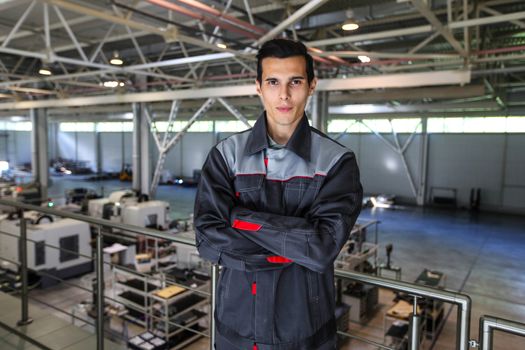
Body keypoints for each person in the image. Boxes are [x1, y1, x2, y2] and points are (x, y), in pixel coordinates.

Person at [194, 38, 363, 350]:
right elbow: (206, 238)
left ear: (312, 85)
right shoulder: (226, 155)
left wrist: (238, 218)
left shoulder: (336, 161)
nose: (284, 95)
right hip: (235, 330)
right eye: (273, 82)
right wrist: (291, 247)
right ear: (258, 87)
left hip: (304, 334)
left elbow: (323, 247)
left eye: (294, 81)